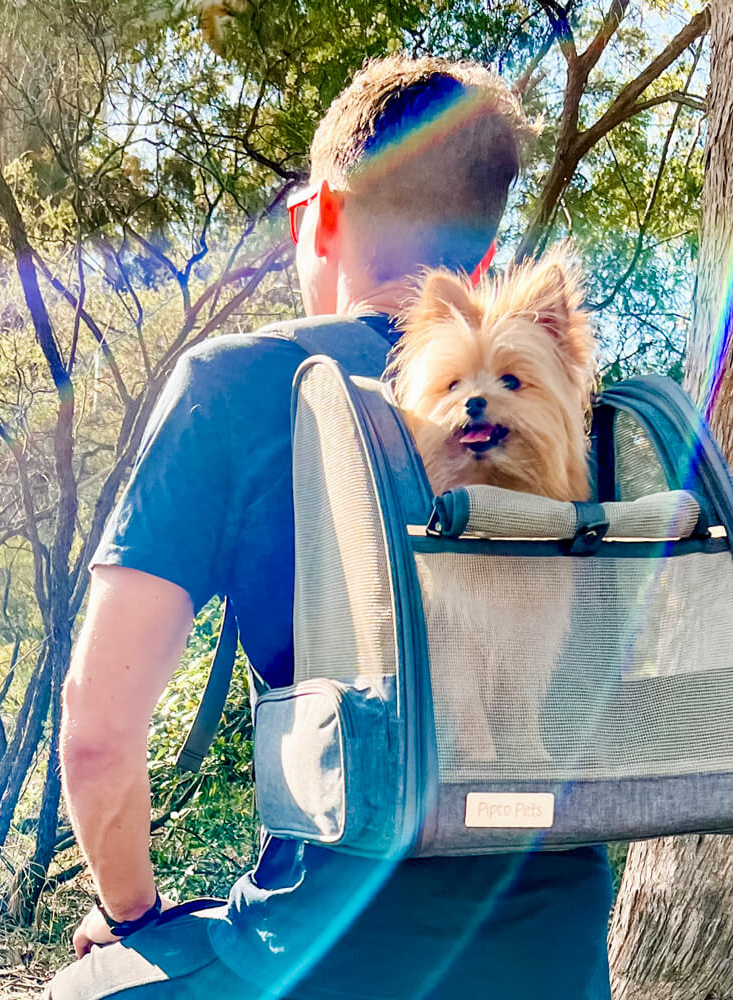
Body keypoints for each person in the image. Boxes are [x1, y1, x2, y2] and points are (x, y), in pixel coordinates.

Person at [46, 55, 613, 1000]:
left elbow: (97, 737)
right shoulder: (560, 410)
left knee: (81, 991)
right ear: (480, 257)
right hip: (552, 942)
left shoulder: (230, 385)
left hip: (323, 954)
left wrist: (133, 918)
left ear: (321, 214)